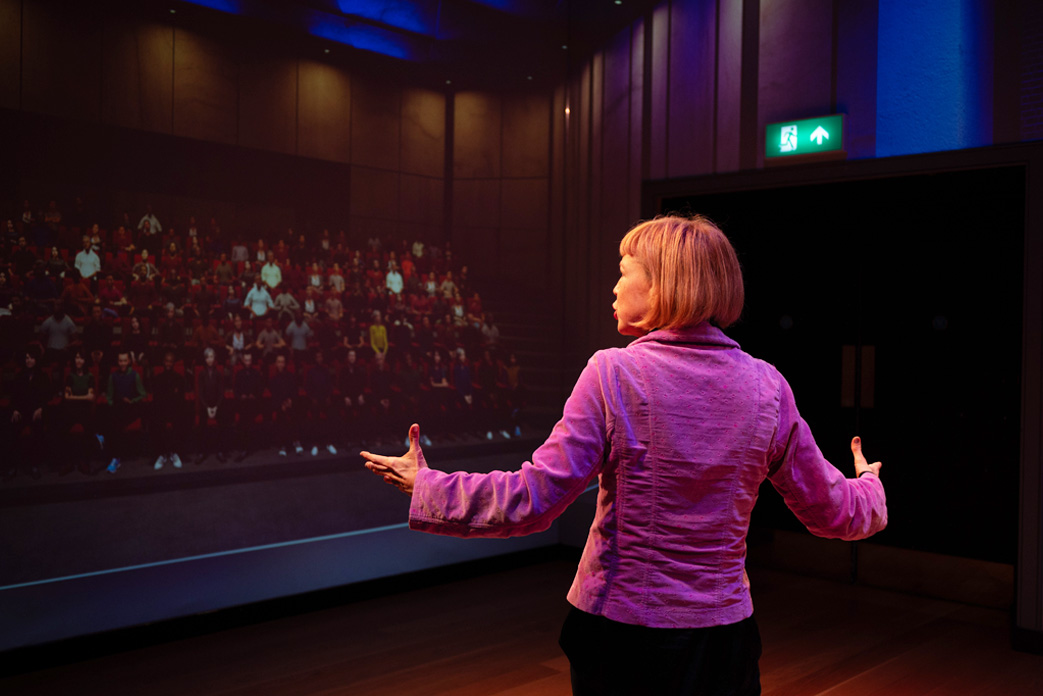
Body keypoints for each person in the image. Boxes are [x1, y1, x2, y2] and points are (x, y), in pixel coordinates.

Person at [360, 215, 888, 696]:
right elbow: (833, 509)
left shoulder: (613, 374)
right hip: (724, 642)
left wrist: (428, 485)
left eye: (624, 269)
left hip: (623, 639)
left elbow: (533, 500)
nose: (614, 285)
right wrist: (869, 486)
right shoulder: (767, 387)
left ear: (662, 283)